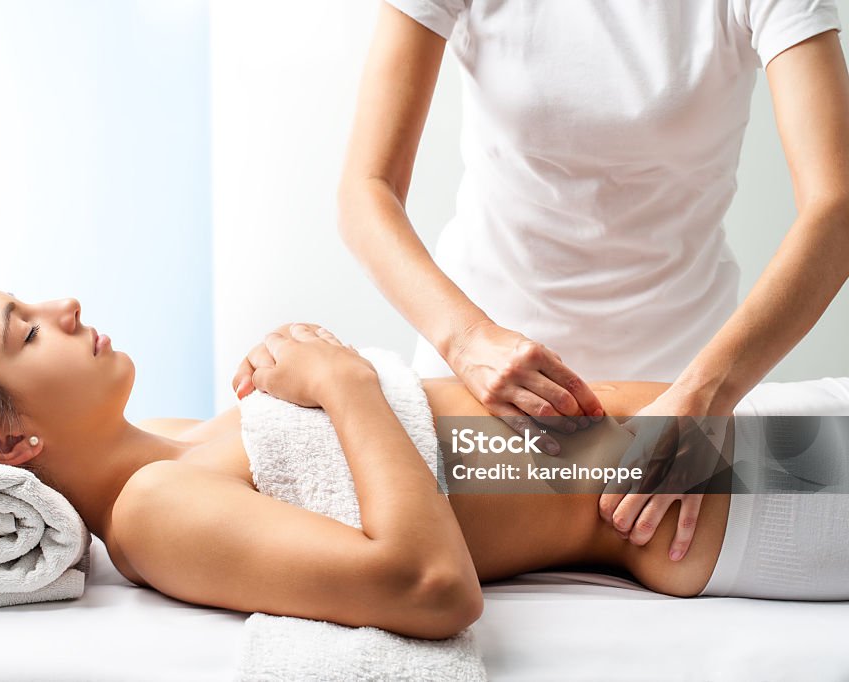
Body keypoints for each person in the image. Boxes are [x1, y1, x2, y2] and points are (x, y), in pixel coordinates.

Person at [0, 281, 847, 644]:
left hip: (724, 438)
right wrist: (344, 381)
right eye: (24, 330)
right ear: (8, 443)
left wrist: (314, 372)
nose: (65, 306)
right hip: (720, 502)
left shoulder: (178, 441)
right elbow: (430, 586)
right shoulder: (150, 515)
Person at [337, 0, 849, 558]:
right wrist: (466, 340)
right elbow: (366, 188)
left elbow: (837, 206)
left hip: (680, 401)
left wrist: (709, 391)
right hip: (487, 389)